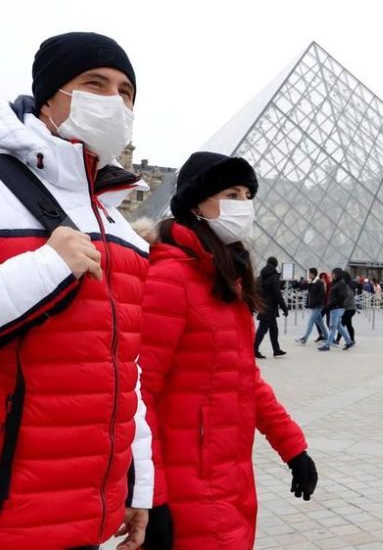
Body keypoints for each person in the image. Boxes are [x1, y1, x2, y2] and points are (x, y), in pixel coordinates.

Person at [0, 32, 153, 549]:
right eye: (94, 83)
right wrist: (46, 267)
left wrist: (138, 484)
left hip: (89, 517)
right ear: (48, 97)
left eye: (126, 91)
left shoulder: (118, 224)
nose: (114, 101)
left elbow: (126, 374)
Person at [139, 152, 317, 548]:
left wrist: (293, 448)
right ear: (195, 203)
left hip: (228, 478)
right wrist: (152, 496)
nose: (243, 205)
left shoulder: (223, 276)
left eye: (247, 196)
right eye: (231, 194)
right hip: (187, 486)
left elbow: (245, 379)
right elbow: (139, 394)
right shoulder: (171, 278)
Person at [254, 256, 289, 359]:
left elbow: (256, 290)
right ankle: (254, 349)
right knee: (262, 329)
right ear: (275, 265)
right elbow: (277, 294)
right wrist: (284, 308)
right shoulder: (274, 277)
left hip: (264, 306)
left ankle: (276, 350)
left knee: (274, 329)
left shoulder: (261, 276)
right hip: (270, 308)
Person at [320, 268, 355, 351]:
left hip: (336, 307)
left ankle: (327, 345)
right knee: (338, 326)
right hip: (335, 307)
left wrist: (331, 304)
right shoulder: (337, 283)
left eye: (333, 274)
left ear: (337, 274)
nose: (331, 275)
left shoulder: (341, 284)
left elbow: (341, 297)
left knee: (333, 326)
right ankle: (349, 341)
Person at [296, 267, 328, 345]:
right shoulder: (312, 282)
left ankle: (304, 339)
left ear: (313, 274)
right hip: (314, 305)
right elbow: (305, 289)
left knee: (310, 322)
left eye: (309, 273)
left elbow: (322, 294)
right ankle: (328, 337)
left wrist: (316, 303)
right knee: (320, 322)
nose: (308, 275)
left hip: (318, 306)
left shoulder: (319, 282)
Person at [335, 271, 357, 346]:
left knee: (342, 324)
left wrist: (342, 305)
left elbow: (348, 297)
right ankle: (352, 340)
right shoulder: (349, 285)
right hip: (350, 308)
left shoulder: (347, 286)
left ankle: (338, 340)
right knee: (348, 324)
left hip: (348, 309)